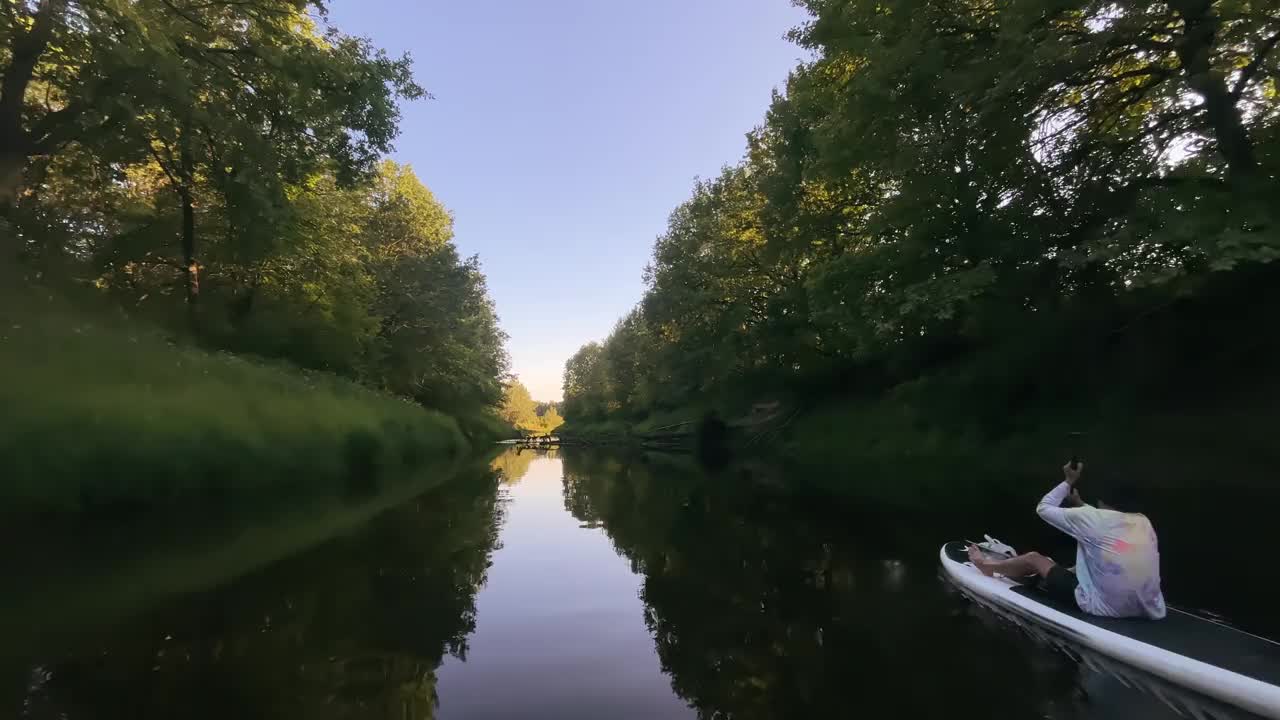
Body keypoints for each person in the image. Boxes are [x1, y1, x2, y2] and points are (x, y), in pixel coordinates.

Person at [967, 462, 1166, 619]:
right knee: (1074, 565)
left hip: (1103, 607)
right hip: (1150, 609)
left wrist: (1068, 481)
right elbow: (1108, 528)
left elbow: (1043, 508)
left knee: (1035, 559)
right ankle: (1035, 572)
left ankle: (985, 565)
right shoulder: (1142, 522)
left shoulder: (1090, 518)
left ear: (1101, 500)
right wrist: (1080, 504)